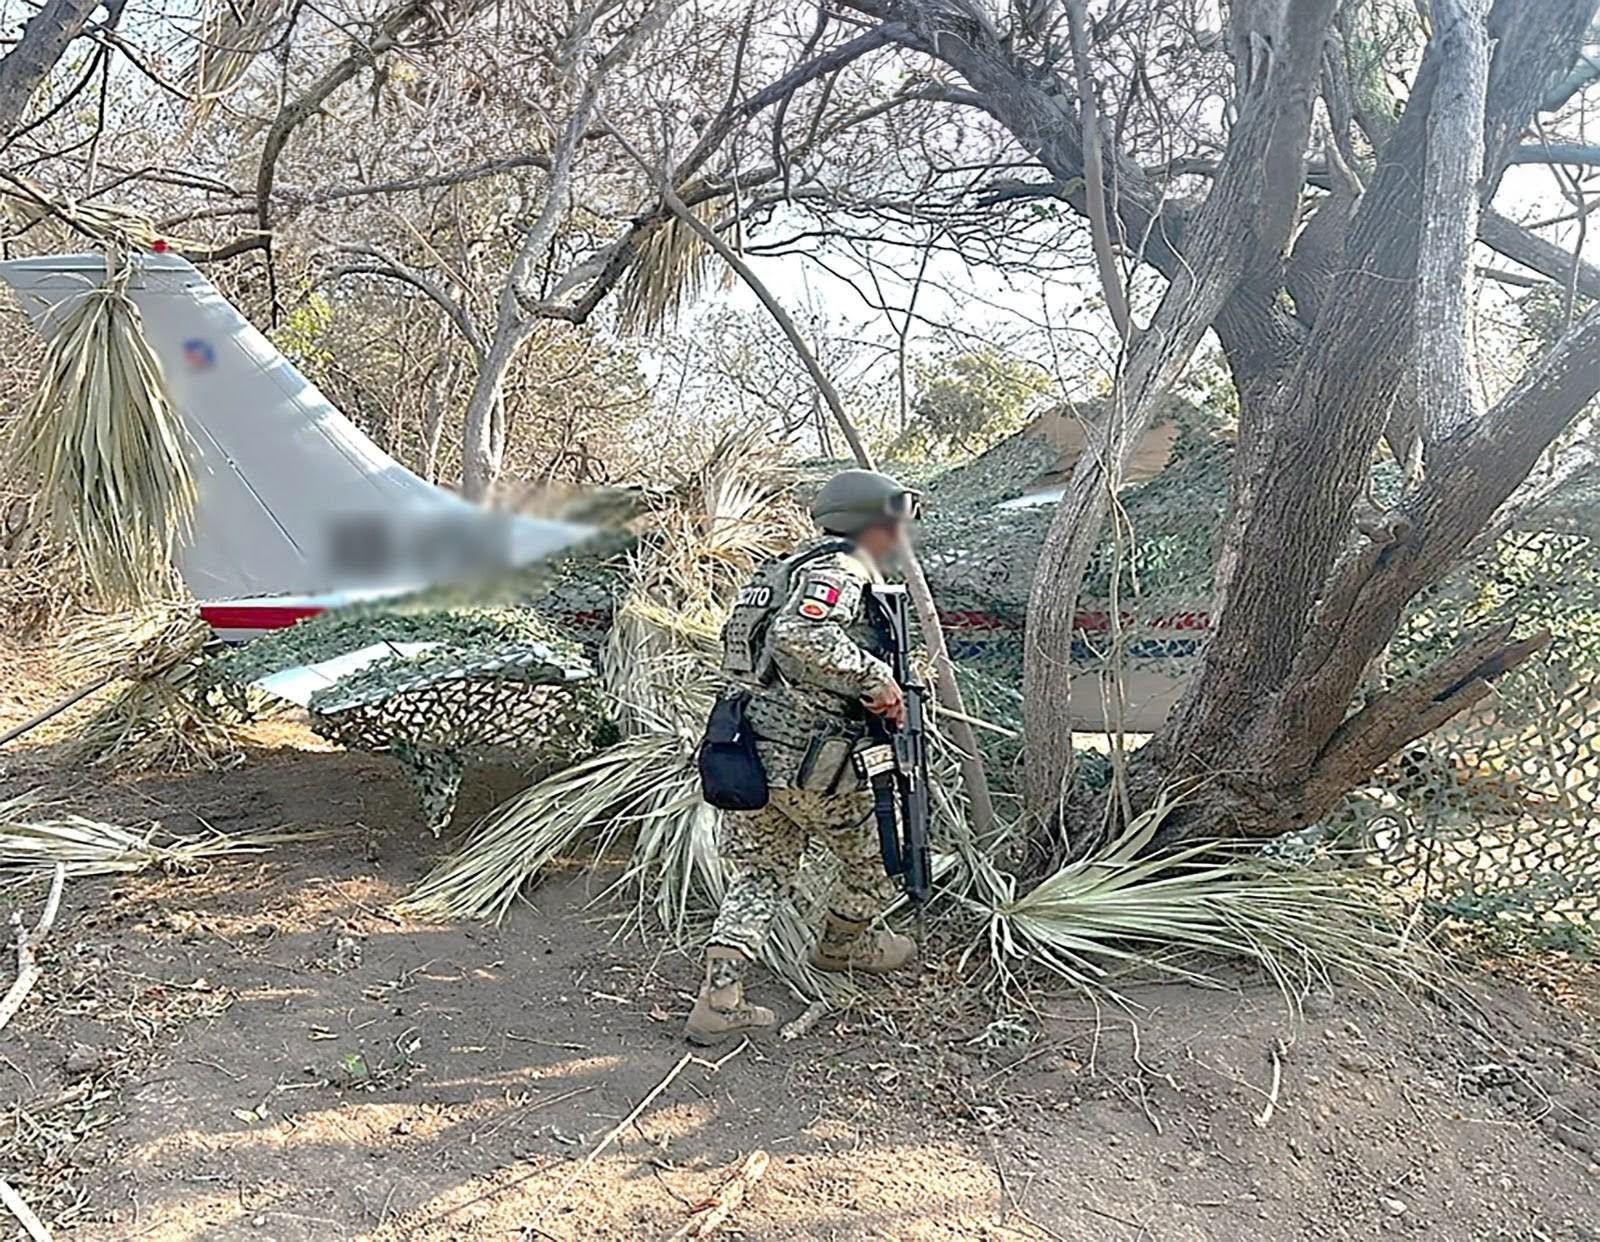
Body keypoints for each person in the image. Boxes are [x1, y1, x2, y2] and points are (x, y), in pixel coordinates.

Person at [685, 468, 924, 1045]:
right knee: (878, 858)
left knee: (762, 873)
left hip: (751, 760)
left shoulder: (775, 574)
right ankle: (845, 946)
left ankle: (721, 994)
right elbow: (802, 637)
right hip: (819, 764)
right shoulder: (838, 570)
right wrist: (878, 683)